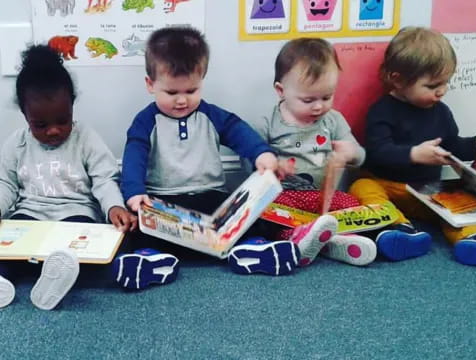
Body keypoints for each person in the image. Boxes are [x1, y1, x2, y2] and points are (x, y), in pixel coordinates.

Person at [118, 26, 336, 282]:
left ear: (202, 81)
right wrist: (134, 193)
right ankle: (150, 260)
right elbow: (134, 157)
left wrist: (262, 155)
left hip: (211, 197)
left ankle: (253, 249)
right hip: (166, 200)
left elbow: (239, 132)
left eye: (191, 91)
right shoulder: (145, 122)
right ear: (150, 85)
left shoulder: (212, 116)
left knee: (248, 217)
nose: (182, 101)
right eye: (172, 92)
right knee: (140, 228)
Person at [0, 44, 137, 309]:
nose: (53, 131)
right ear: (25, 115)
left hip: (75, 214)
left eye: (62, 120)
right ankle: (4, 279)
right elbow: (5, 183)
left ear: (72, 106)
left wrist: (114, 207)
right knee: (8, 248)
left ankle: (57, 277)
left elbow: (104, 178)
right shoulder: (16, 143)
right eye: (40, 125)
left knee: (87, 250)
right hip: (31, 216)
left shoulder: (85, 138)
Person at [349, 26, 476, 265]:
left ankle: (471, 237)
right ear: (397, 80)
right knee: (361, 186)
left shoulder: (441, 111)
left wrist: (475, 144)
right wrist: (414, 154)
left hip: (427, 191)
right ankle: (398, 229)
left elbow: (453, 147)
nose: (441, 91)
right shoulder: (382, 110)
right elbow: (378, 152)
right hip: (386, 184)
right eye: (431, 86)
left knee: (455, 206)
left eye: (445, 83)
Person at [248, 37, 377, 267]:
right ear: (281, 90)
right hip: (282, 199)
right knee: (263, 217)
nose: (319, 106)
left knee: (354, 205)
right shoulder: (267, 121)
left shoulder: (333, 120)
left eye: (327, 97)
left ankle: (332, 239)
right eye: (308, 100)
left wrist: (351, 153)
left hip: (322, 199)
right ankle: (297, 240)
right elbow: (250, 162)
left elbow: (360, 156)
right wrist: (274, 167)